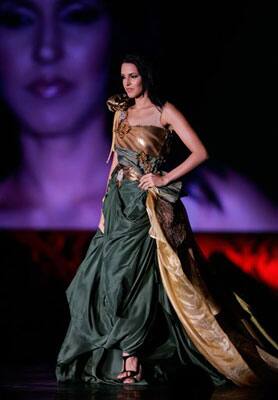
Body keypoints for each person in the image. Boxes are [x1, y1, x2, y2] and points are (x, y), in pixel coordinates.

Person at [56, 54, 278, 386]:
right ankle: (124, 353)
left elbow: (200, 151)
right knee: (108, 281)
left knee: (138, 281)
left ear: (145, 76)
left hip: (146, 208)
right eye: (122, 78)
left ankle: (132, 358)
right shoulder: (120, 113)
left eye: (132, 76)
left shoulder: (164, 112)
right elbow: (115, 160)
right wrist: (104, 209)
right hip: (118, 206)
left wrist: (163, 178)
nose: (127, 83)